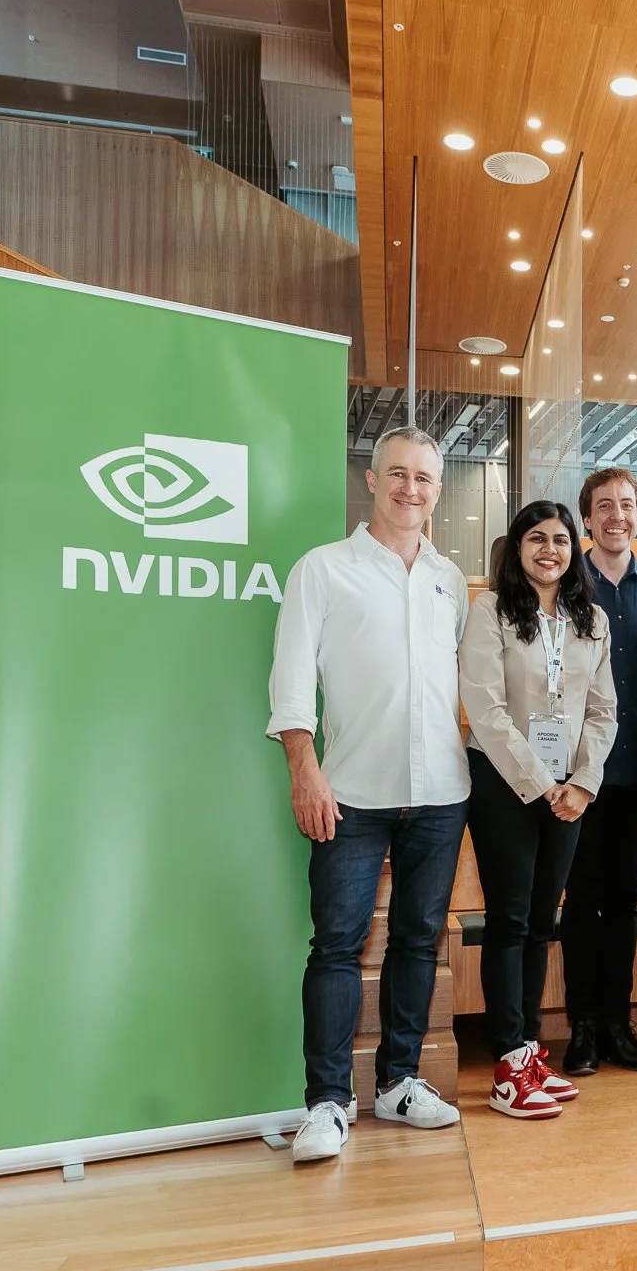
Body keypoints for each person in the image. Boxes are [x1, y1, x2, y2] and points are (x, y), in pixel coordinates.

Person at [267, 426, 468, 1164]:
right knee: (337, 946)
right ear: (372, 480)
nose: (410, 488)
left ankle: (400, 1081)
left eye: (424, 478)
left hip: (442, 794)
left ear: (438, 491)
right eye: (398, 474)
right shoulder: (323, 569)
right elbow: (291, 680)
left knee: (418, 940)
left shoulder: (450, 579)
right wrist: (303, 767)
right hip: (348, 794)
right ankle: (326, 1101)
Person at [459, 501, 618, 1119]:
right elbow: (484, 707)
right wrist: (540, 782)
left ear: (573, 549)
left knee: (542, 923)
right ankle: (506, 1065)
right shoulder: (490, 611)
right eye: (536, 539)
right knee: (510, 920)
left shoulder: (592, 620)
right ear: (516, 547)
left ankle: (527, 1052)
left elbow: (602, 711)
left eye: (559, 540)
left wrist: (580, 783)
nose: (549, 550)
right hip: (504, 783)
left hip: (569, 793)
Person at [561, 466, 637, 1075]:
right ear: (587, 517)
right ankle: (581, 1026)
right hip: (577, 775)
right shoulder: (562, 582)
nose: (617, 516)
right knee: (581, 902)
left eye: (627, 505)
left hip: (635, 775)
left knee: (624, 903)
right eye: (603, 506)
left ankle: (617, 1023)